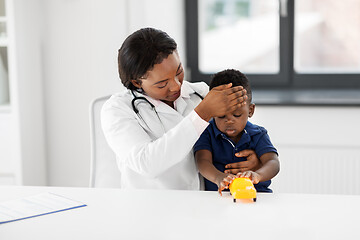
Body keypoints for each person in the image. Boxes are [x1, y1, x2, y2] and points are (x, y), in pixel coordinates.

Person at [101, 28, 260, 190]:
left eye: (179, 72)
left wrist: (254, 158)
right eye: (162, 84)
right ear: (136, 82)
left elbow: (239, 132)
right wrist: (202, 114)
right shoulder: (117, 109)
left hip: (201, 204)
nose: (176, 85)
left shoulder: (200, 93)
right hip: (149, 207)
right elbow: (147, 164)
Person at [194, 69, 280, 194]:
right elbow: (202, 161)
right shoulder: (207, 132)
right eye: (221, 116)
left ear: (250, 110)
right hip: (219, 197)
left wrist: (258, 175)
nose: (229, 121)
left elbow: (273, 162)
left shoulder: (258, 134)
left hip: (257, 196)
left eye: (237, 115)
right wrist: (218, 177)